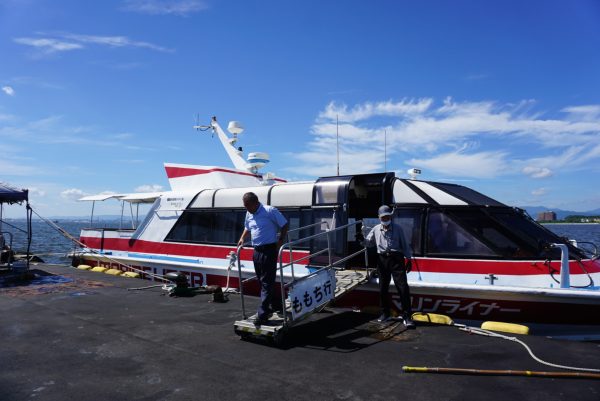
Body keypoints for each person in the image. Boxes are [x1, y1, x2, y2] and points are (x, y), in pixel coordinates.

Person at [237, 192, 289, 326]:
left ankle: (262, 314)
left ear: (255, 203)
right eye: (245, 206)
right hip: (257, 251)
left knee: (266, 281)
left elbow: (284, 224)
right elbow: (247, 227)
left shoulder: (269, 211)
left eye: (247, 205)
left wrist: (280, 241)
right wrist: (243, 238)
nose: (246, 208)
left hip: (269, 250)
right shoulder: (249, 213)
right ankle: (277, 304)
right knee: (262, 280)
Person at [364, 205, 415, 328]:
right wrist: (362, 238)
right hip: (382, 259)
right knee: (382, 287)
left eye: (387, 216)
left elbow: (405, 244)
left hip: (397, 259)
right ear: (379, 218)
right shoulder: (375, 229)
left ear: (390, 216)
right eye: (383, 217)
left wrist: (409, 259)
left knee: (402, 287)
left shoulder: (398, 229)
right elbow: (369, 243)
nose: (385, 218)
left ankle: (407, 316)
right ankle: (385, 313)